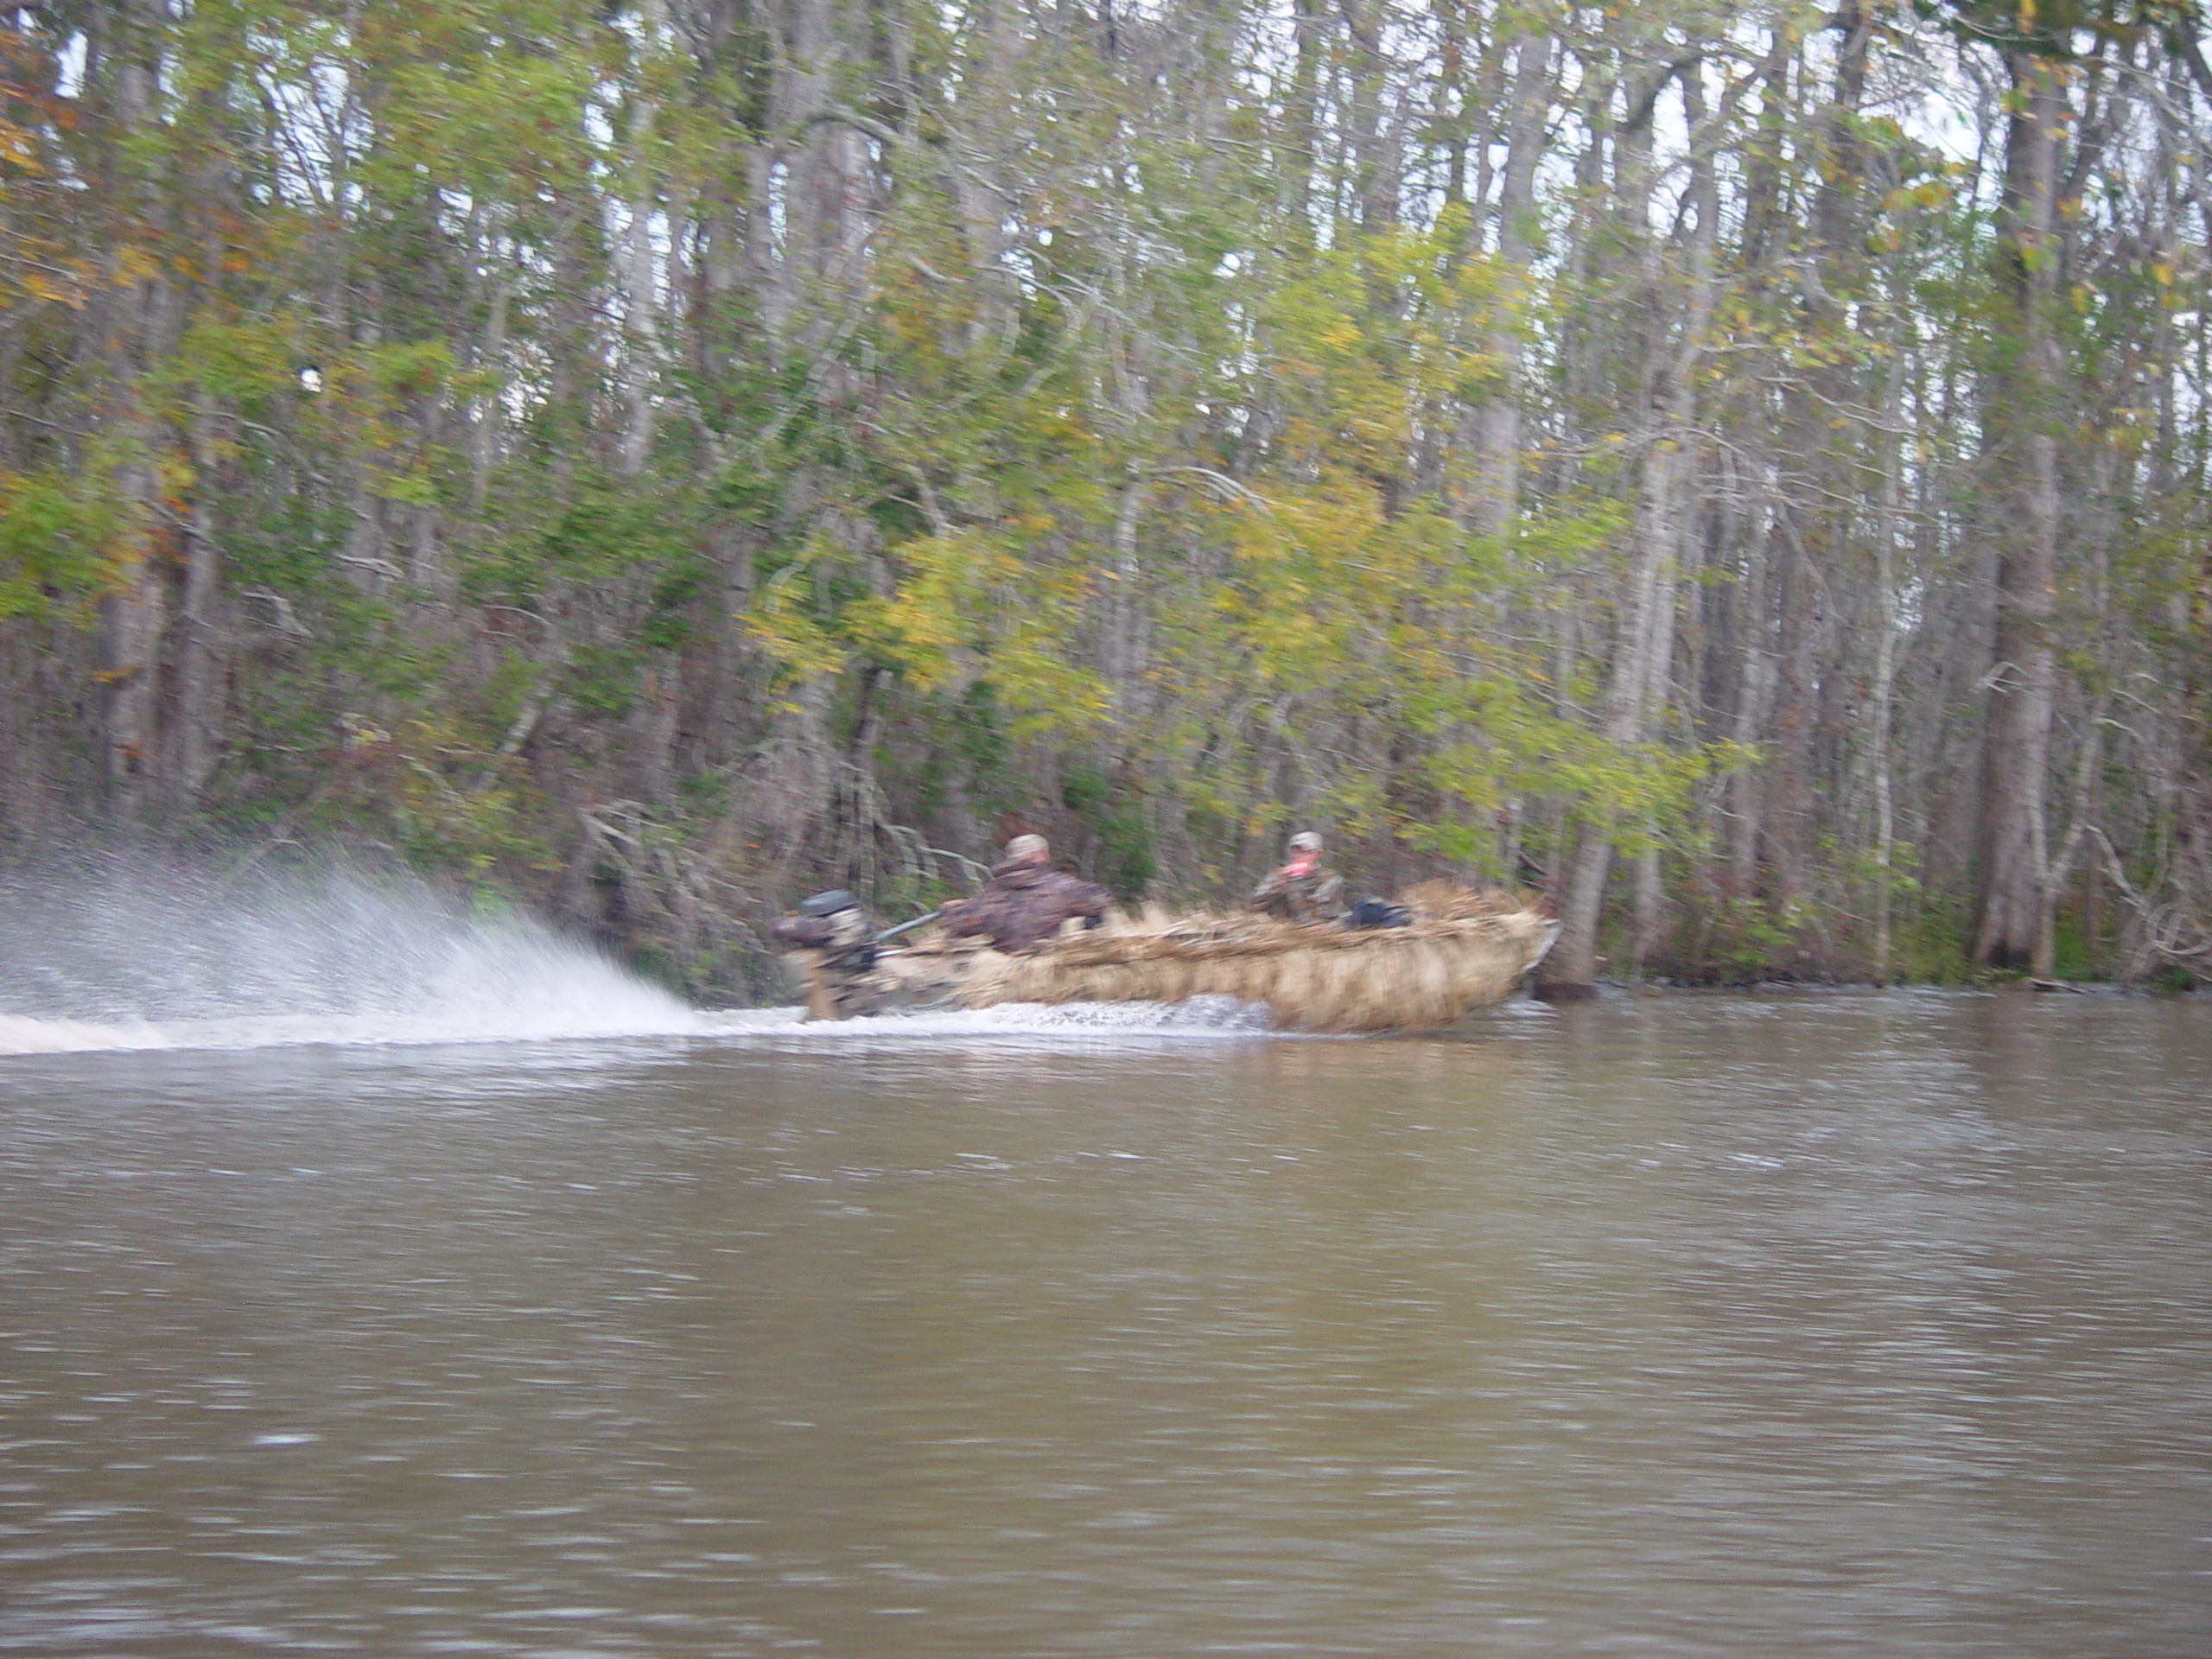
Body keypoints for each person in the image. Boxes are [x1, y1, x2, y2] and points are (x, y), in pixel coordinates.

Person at [938, 834, 1111, 954]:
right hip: (1047, 967)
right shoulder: (1059, 886)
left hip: (999, 970)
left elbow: (957, 926)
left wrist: (956, 909)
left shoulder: (991, 893)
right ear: (1038, 855)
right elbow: (1099, 899)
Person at [1249, 830, 1344, 925]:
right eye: (1295, 852)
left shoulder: (1329, 879)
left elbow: (1322, 912)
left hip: (1314, 930)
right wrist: (1279, 885)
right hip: (1279, 929)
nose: (1300, 856)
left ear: (1318, 854)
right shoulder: (1278, 876)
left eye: (1307, 852)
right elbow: (1254, 907)